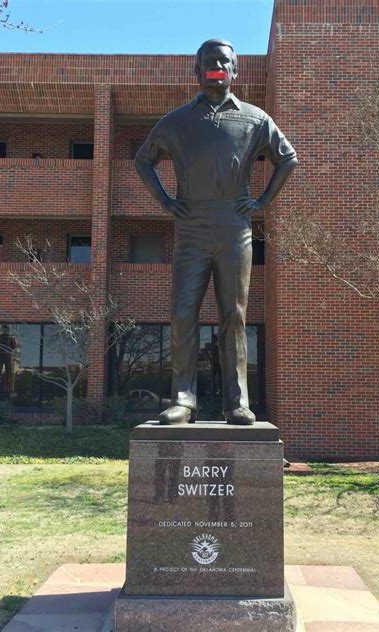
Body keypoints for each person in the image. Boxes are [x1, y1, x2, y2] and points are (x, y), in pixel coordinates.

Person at [135, 39, 298, 425]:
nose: (217, 66)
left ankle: (237, 402)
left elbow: (287, 158)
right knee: (182, 312)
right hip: (190, 229)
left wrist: (261, 202)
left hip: (234, 227)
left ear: (235, 71)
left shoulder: (255, 119)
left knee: (234, 315)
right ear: (197, 70)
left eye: (224, 61)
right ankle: (183, 399)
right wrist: (166, 202)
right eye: (209, 61)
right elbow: (144, 160)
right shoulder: (176, 121)